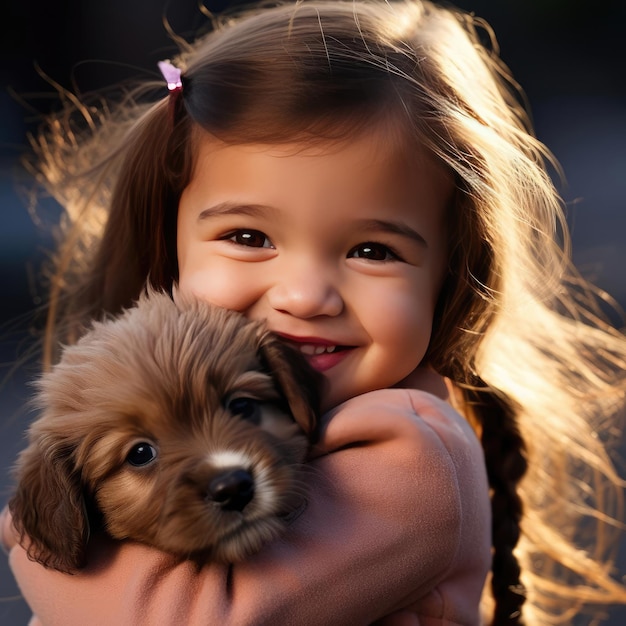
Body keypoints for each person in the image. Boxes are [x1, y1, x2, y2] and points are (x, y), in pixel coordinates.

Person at [2, 0, 626, 623]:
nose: (304, 295)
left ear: (452, 275)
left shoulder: (414, 455)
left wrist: (30, 544)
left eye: (371, 250)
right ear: (167, 241)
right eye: (249, 238)